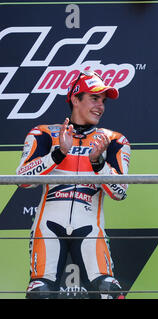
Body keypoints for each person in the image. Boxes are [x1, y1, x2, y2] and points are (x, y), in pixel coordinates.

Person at [16, 70, 131, 299]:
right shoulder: (44, 134)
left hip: (90, 227)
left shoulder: (114, 140)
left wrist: (98, 162)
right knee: (41, 294)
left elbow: (119, 193)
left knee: (108, 292)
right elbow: (22, 180)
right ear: (75, 99)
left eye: (103, 101)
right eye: (94, 98)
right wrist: (58, 153)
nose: (101, 106)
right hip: (48, 225)